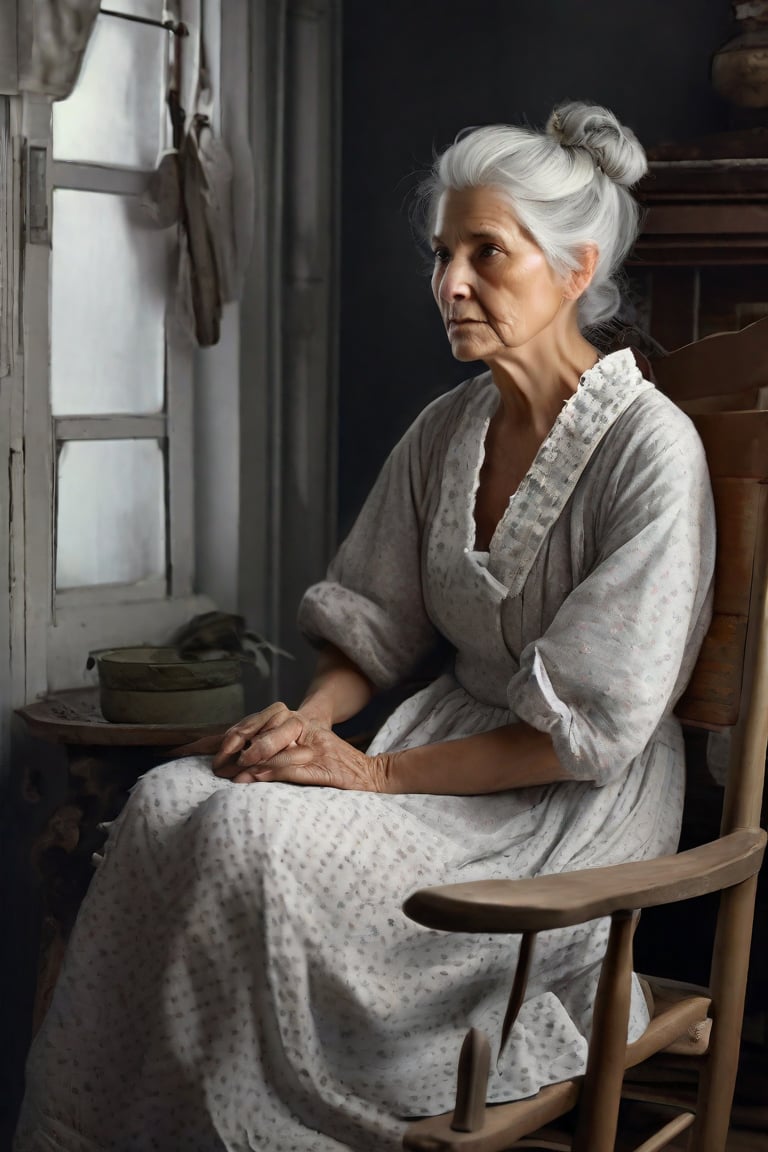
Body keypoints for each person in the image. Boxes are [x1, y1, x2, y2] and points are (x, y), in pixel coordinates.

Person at [16, 101, 715, 1152]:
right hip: (436, 753)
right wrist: (306, 723)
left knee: (250, 839)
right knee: (169, 801)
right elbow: (370, 622)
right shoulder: (449, 429)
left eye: (487, 253)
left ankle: (258, 1130)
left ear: (575, 268)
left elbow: (588, 734)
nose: (451, 284)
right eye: (443, 254)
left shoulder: (653, 454)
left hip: (562, 803)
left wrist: (373, 776)